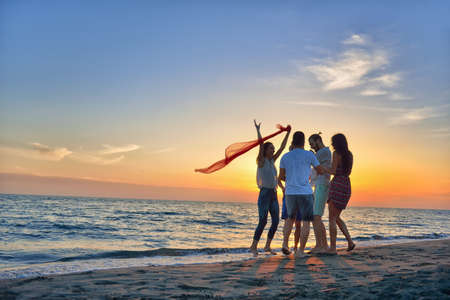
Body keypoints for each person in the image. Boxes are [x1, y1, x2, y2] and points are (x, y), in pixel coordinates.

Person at [279, 131, 325, 257]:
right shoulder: (309, 155)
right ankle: (300, 251)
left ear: (293, 141)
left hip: (290, 192)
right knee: (306, 222)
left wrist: (291, 178)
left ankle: (285, 244)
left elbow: (281, 177)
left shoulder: (285, 156)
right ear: (304, 142)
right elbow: (320, 171)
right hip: (305, 192)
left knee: (289, 219)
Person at [250, 120, 291, 256]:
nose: (273, 150)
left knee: (275, 221)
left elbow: (282, 147)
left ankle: (267, 246)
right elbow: (261, 144)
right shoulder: (260, 161)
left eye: (273, 148)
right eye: (270, 148)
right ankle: (253, 246)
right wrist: (258, 130)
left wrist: (288, 133)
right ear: (265, 150)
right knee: (263, 220)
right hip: (264, 194)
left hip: (274, 193)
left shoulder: (272, 160)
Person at [322, 133, 355, 255]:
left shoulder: (336, 153)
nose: (332, 144)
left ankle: (333, 248)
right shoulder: (350, 154)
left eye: (333, 142)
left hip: (337, 184)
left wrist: (321, 168)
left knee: (331, 218)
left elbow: (333, 171)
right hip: (346, 184)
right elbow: (348, 171)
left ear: (336, 143)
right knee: (336, 217)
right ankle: (350, 242)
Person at [308, 133, 332, 253]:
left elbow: (312, 162)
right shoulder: (322, 153)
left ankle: (319, 245)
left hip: (322, 185)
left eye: (312, 143)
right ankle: (324, 245)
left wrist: (310, 155)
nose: (311, 146)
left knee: (316, 216)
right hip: (320, 185)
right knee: (317, 217)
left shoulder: (323, 152)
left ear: (318, 140)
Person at [278, 145, 303, 253]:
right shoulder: (288, 161)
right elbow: (280, 178)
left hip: (295, 193)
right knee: (290, 220)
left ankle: (294, 246)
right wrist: (283, 187)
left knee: (296, 223)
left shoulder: (299, 161)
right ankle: (286, 244)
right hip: (292, 193)